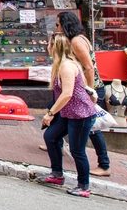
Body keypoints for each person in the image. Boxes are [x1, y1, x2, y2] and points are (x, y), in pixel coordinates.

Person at [41, 32, 98, 198]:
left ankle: (84, 186)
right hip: (68, 112)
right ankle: (57, 174)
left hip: (80, 114)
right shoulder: (61, 64)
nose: (47, 47)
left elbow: (67, 94)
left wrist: (51, 113)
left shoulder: (66, 66)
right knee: (51, 136)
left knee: (77, 150)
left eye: (49, 44)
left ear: (54, 47)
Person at [58, 11, 111, 177]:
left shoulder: (76, 41)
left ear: (65, 25)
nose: (57, 28)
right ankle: (54, 140)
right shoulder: (80, 38)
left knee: (93, 129)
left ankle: (104, 165)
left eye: (58, 24)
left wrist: (89, 90)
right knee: (64, 115)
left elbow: (88, 67)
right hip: (87, 88)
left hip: (90, 89)